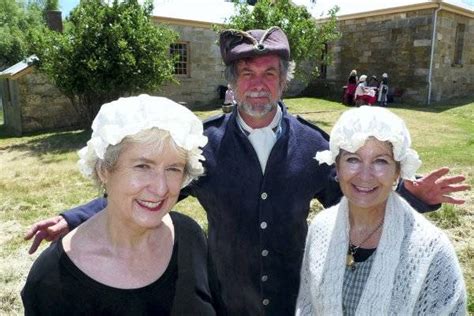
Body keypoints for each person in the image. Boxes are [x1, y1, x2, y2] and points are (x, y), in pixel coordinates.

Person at [24, 27, 469, 315]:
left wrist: (414, 198)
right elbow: (153, 192)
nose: (258, 83)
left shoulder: (315, 144)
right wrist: (75, 217)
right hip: (225, 301)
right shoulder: (202, 143)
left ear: (284, 80)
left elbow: (356, 200)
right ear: (233, 82)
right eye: (247, 73)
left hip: (295, 300)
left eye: (270, 73)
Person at [21, 95, 216, 315]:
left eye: (173, 169)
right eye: (143, 166)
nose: (161, 188)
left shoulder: (189, 237)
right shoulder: (52, 280)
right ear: (104, 170)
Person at [296, 106, 467, 315]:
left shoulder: (431, 250)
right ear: (337, 167)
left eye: (380, 161)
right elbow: (308, 307)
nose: (365, 175)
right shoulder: (321, 229)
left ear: (397, 172)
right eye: (352, 159)